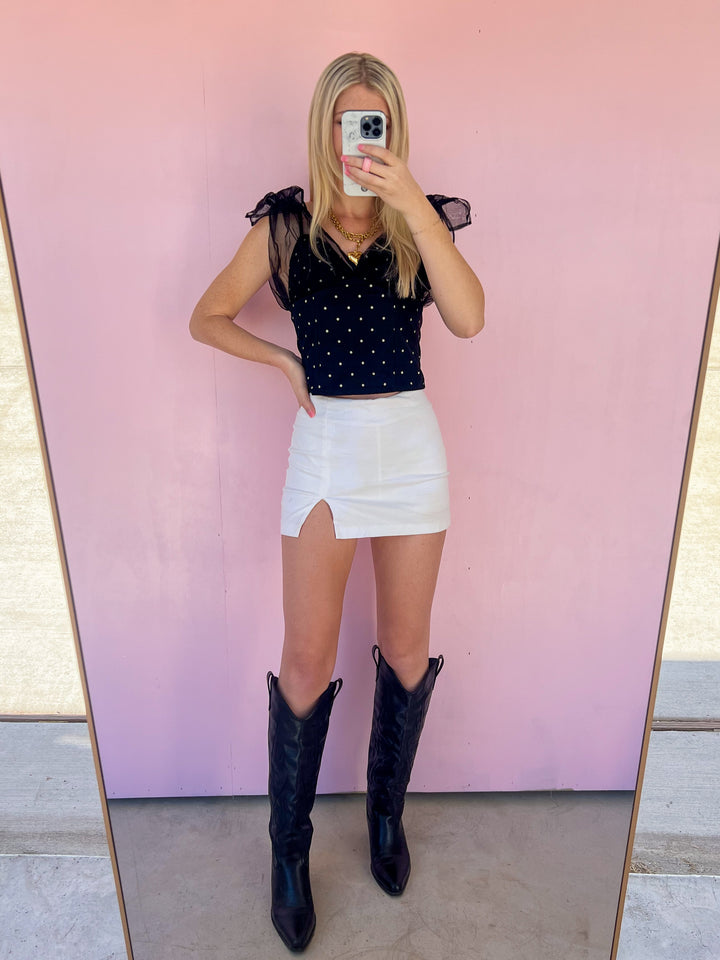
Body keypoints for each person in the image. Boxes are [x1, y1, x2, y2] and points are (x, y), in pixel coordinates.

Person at [189, 51, 484, 953]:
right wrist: (280, 359)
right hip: (326, 450)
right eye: (349, 121)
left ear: (393, 132)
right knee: (306, 657)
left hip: (409, 449)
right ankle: (289, 851)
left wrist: (413, 203)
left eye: (377, 123)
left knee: (406, 648)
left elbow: (469, 318)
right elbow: (208, 315)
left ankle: (385, 819)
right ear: (325, 128)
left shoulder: (418, 223)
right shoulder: (284, 227)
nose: (361, 139)